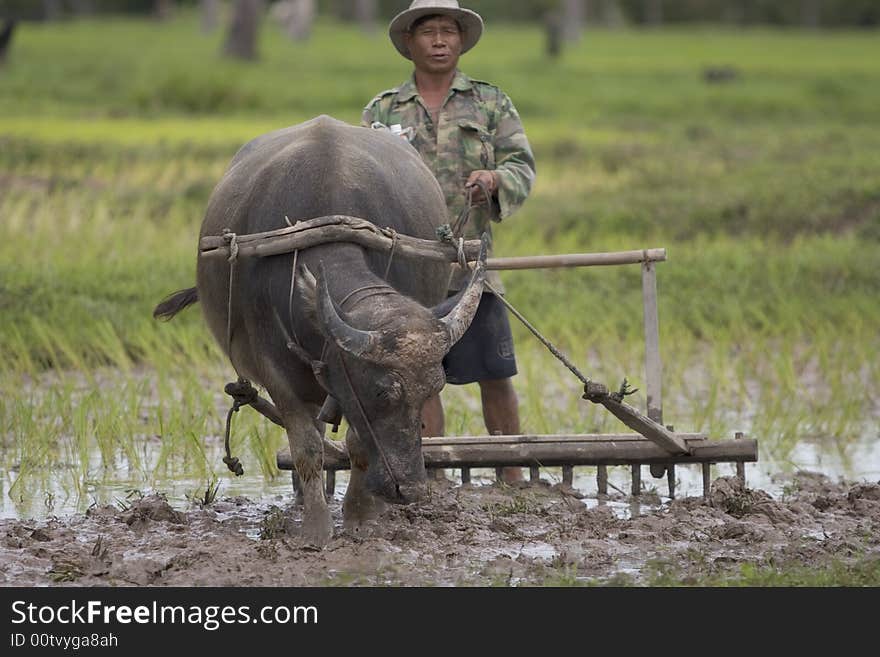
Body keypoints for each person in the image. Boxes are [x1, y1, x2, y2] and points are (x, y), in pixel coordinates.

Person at [361, 0, 536, 484]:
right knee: (417, 378)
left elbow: (522, 164)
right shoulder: (381, 111)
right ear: (409, 43)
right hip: (405, 270)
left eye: (448, 32)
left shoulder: (489, 102)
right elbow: (363, 181)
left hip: (472, 265)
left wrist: (496, 179)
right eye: (428, 32)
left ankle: (511, 478)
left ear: (460, 41)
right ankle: (431, 476)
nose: (439, 40)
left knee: (495, 372)